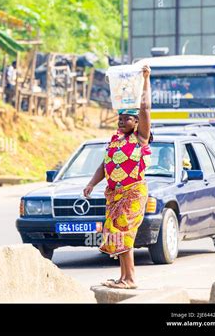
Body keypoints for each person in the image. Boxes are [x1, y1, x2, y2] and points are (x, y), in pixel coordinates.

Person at [83, 64, 152, 290]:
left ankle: (130, 279)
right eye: (119, 118)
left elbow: (145, 109)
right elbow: (105, 165)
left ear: (136, 123)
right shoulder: (115, 140)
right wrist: (92, 183)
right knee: (115, 233)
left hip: (133, 192)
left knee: (123, 232)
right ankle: (123, 278)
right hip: (115, 194)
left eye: (126, 119)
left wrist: (145, 79)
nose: (121, 121)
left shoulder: (139, 139)